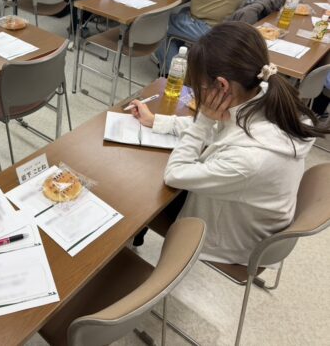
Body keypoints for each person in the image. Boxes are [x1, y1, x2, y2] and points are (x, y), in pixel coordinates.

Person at [129, 22, 329, 265]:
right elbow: (220, 128)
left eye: (199, 86)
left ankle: (123, 253)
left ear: (221, 86)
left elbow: (175, 174)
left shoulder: (251, 158)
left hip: (232, 237)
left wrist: (203, 120)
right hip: (243, 208)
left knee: (139, 192)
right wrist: (158, 121)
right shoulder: (260, 90)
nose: (198, 92)